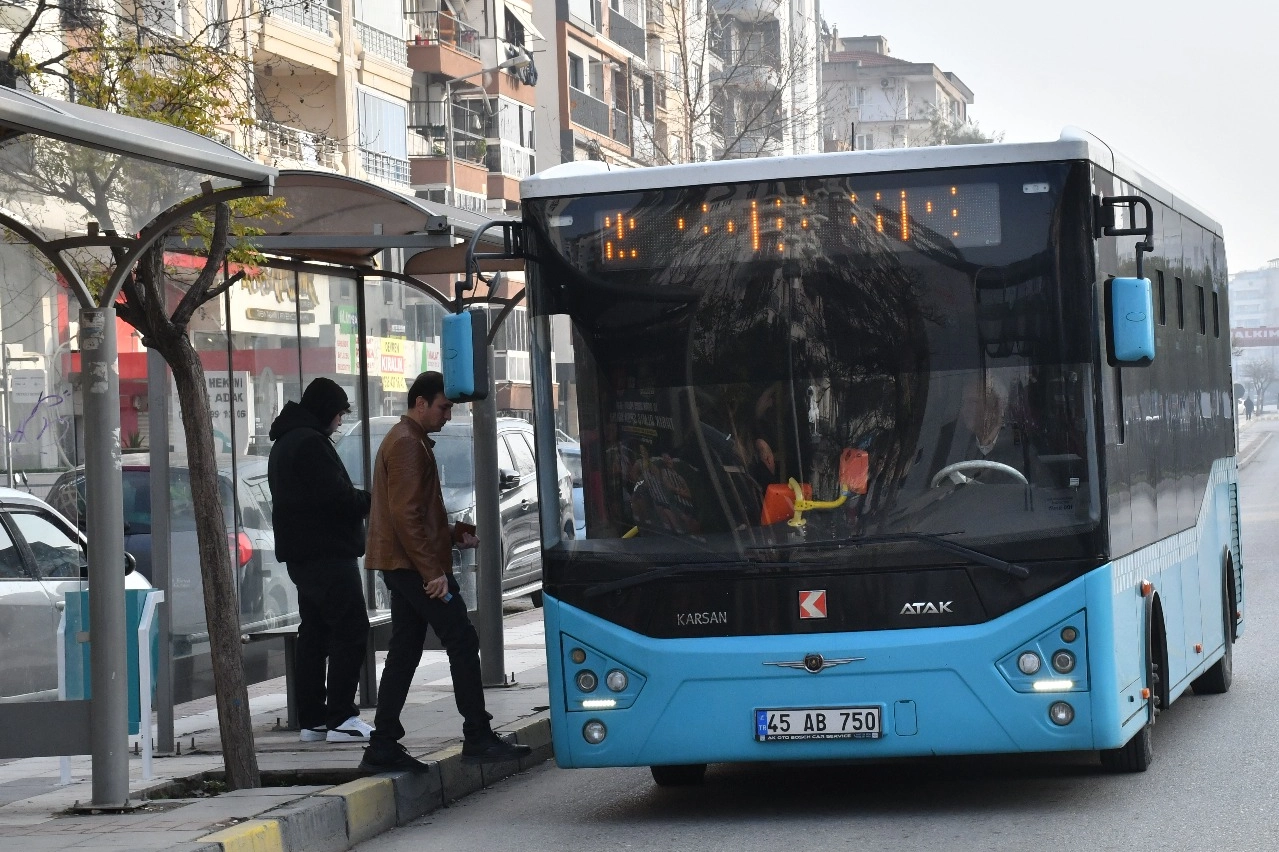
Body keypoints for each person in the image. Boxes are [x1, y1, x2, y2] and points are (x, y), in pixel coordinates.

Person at [359, 371, 532, 772]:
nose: (448, 415)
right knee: (461, 638)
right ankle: (477, 735)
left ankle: (383, 743)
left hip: (403, 565)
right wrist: (432, 572)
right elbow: (405, 517)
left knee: (405, 651)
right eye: (443, 406)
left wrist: (453, 534)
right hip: (413, 567)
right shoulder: (406, 445)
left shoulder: (410, 440)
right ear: (420, 403)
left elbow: (415, 514)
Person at [267, 377, 374, 744]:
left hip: (304, 557)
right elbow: (337, 498)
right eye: (340, 413)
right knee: (350, 629)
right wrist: (372, 500)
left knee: (314, 634)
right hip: (328, 555)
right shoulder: (310, 443)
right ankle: (341, 716)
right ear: (327, 409)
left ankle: (312, 720)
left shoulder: (286, 441)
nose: (341, 421)